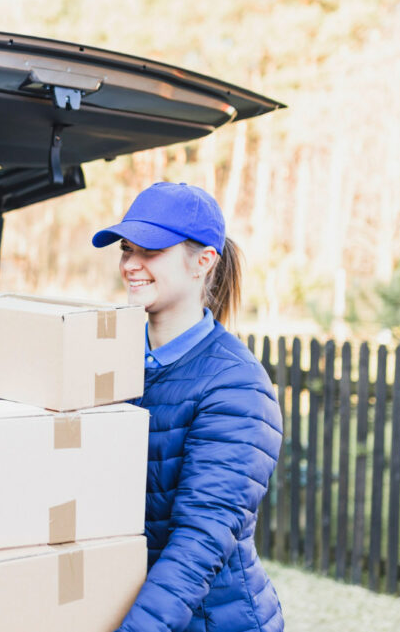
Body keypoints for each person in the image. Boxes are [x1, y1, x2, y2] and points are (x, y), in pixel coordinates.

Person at [91, 182, 284, 632]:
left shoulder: (237, 387)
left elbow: (199, 546)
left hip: (210, 617)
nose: (131, 265)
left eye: (151, 250)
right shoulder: (109, 360)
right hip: (130, 600)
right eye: (126, 249)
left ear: (203, 261)